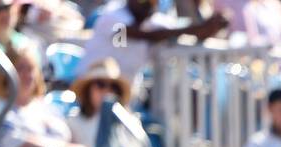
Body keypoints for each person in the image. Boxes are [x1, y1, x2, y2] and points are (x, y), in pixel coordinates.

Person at [77, 0, 228, 101]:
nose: (147, 5)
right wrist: (195, 28)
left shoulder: (154, 22)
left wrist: (213, 26)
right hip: (91, 91)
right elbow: (141, 34)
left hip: (125, 96)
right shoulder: (112, 15)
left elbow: (192, 33)